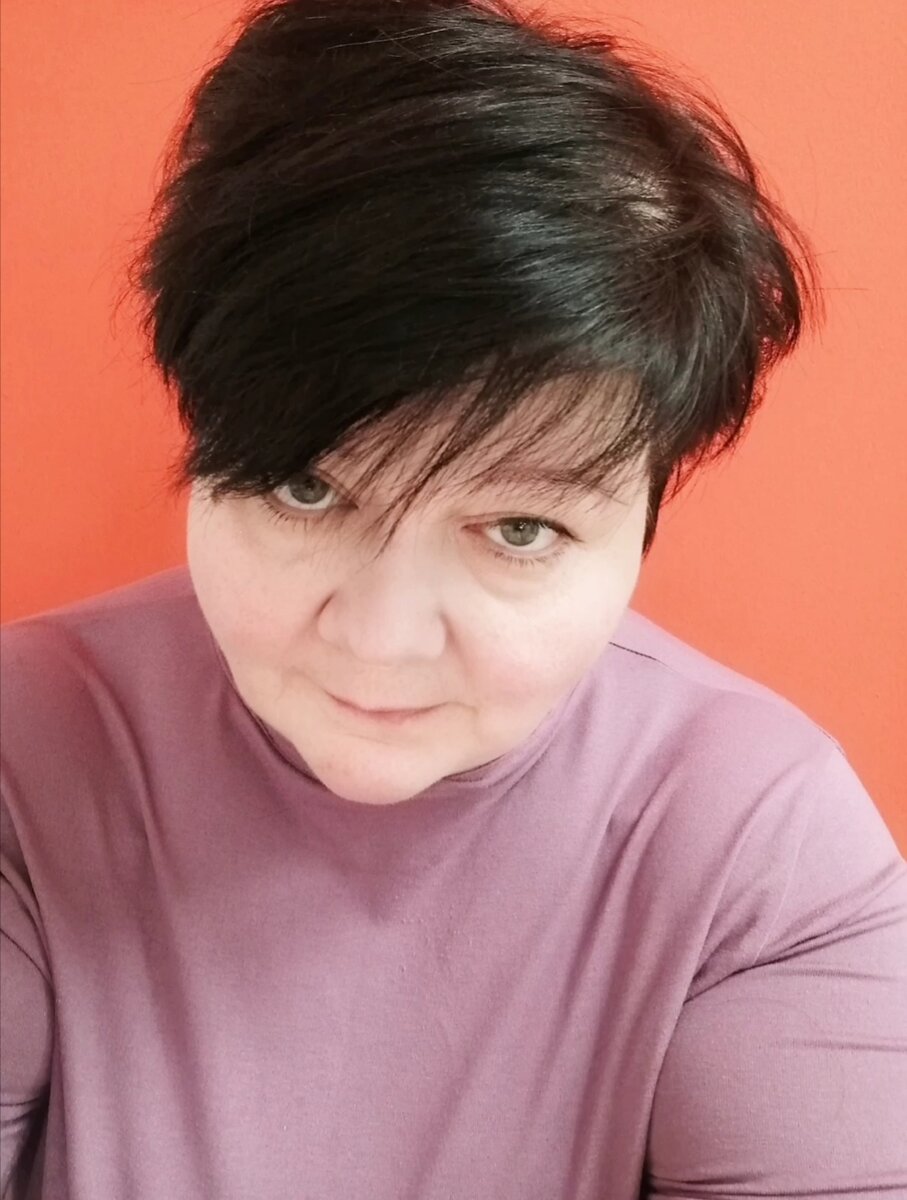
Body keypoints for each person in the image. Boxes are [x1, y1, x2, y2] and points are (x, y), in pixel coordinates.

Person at [2, 0, 905, 1195]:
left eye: (518, 530)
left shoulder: (760, 849)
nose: (380, 640)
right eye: (308, 490)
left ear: (646, 518)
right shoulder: (27, 747)